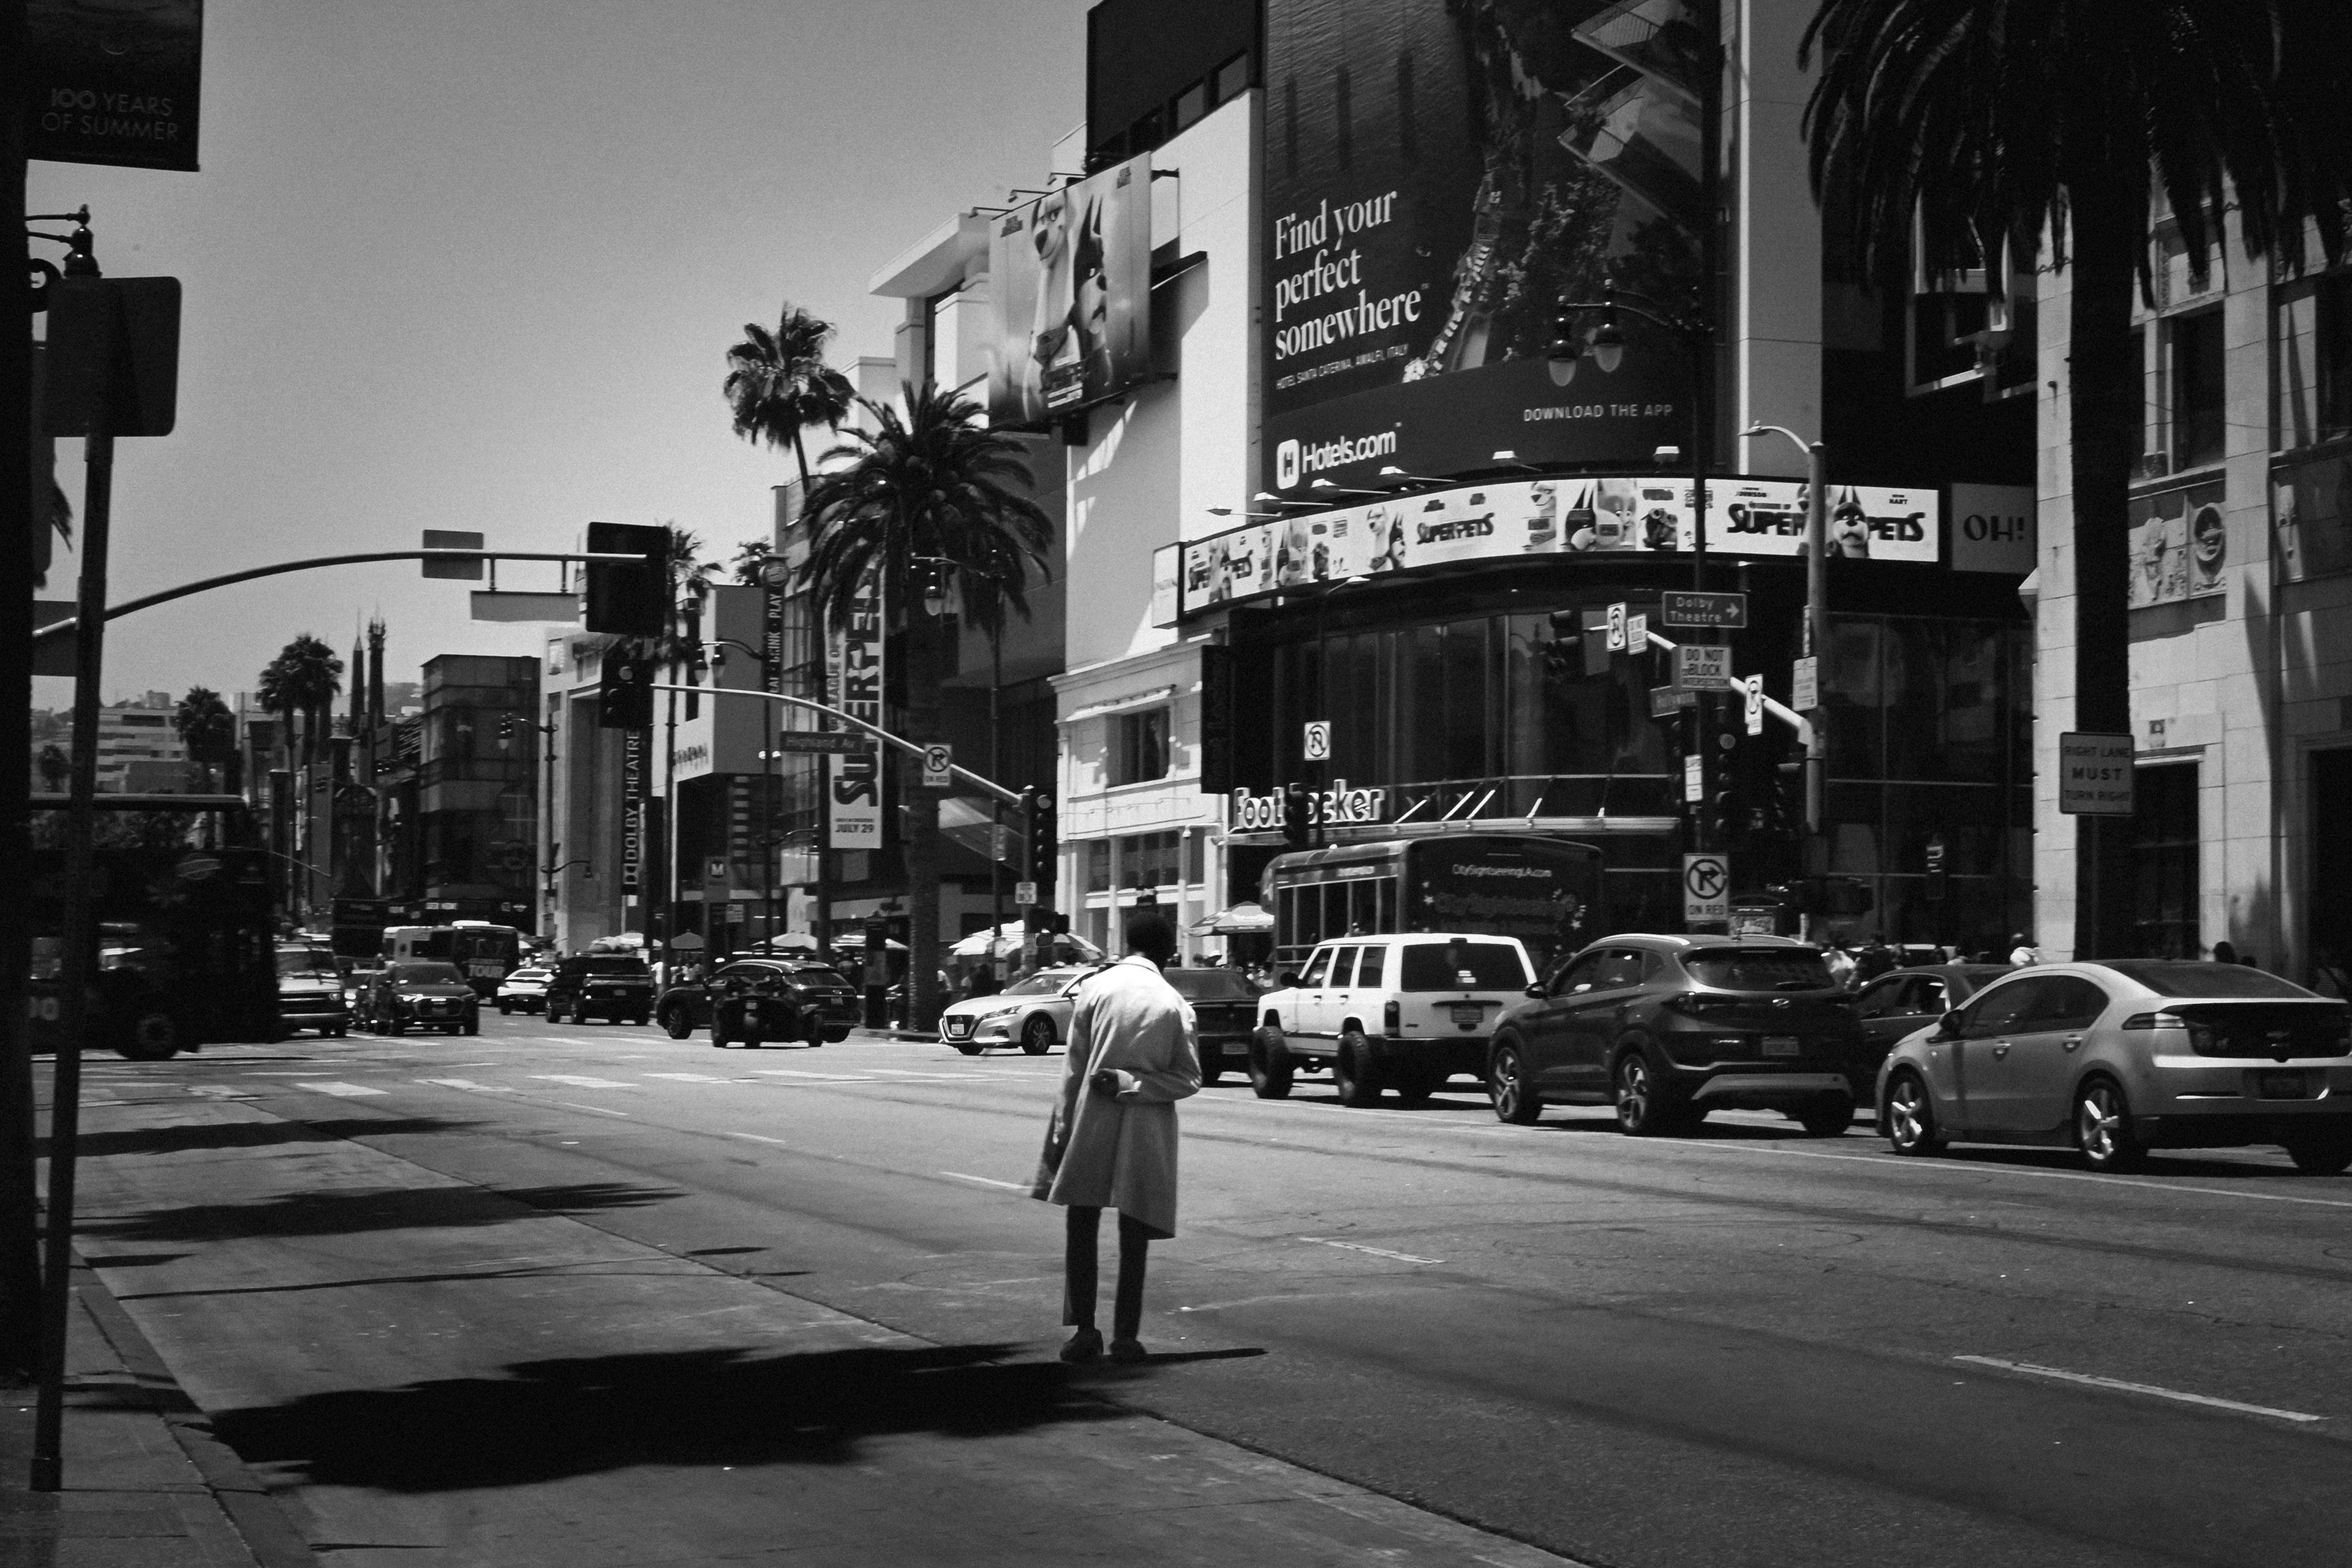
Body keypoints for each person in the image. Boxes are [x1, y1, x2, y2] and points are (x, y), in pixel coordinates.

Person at [1031, 910, 1200, 1365]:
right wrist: (1134, 1083)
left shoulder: (1095, 988)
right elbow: (1189, 1078)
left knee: (1082, 1222)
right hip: (1146, 1128)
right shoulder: (1173, 1003)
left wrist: (1062, 1129)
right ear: (1169, 951)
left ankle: (1085, 1331)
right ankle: (1127, 1337)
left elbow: (1073, 1069)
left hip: (1091, 1118)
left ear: (1127, 943)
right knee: (1134, 1230)